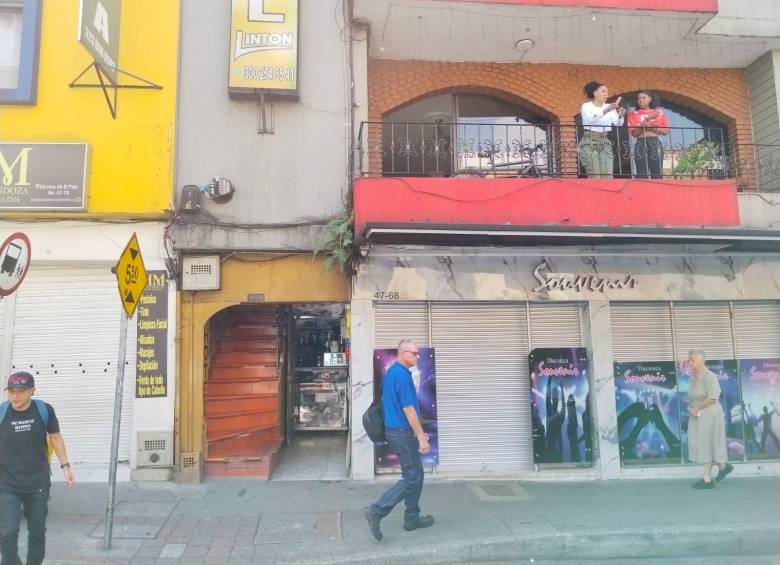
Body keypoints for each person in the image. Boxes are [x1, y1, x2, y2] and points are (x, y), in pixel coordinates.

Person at [0, 371, 75, 565]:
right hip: (7, 482)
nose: (15, 396)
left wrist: (65, 466)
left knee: (37, 532)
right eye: (12, 391)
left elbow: (55, 437)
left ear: (32, 391)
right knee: (7, 532)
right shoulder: (2, 412)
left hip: (37, 482)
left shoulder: (44, 410)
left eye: (21, 391)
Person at [364, 340, 433, 541]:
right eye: (415, 353)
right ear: (403, 354)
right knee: (412, 477)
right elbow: (409, 409)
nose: (418, 357)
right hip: (402, 433)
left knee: (416, 475)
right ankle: (376, 511)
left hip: (396, 431)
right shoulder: (402, 376)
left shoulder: (393, 372)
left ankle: (412, 517)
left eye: (419, 354)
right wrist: (421, 437)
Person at [686, 351, 733, 489]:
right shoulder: (692, 378)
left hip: (710, 414)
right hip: (697, 414)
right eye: (689, 360)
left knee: (706, 443)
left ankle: (706, 479)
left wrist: (697, 408)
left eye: (692, 360)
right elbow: (691, 397)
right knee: (702, 443)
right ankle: (723, 467)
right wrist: (690, 407)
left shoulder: (710, 377)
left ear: (701, 361)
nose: (690, 363)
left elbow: (713, 397)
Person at [578, 81, 626, 178]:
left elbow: (617, 123)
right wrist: (605, 110)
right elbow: (588, 120)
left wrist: (620, 116)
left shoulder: (609, 107)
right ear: (595, 93)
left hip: (605, 141)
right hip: (589, 141)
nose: (606, 94)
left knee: (607, 175)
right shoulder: (586, 106)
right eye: (603, 91)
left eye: (607, 92)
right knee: (595, 175)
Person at [627, 91, 670, 179]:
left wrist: (648, 126)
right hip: (640, 142)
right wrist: (646, 122)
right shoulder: (633, 114)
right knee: (641, 173)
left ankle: (657, 192)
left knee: (657, 172)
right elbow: (634, 133)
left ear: (650, 99)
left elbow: (665, 131)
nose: (640, 100)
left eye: (643, 98)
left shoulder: (659, 113)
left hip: (655, 142)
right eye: (639, 99)